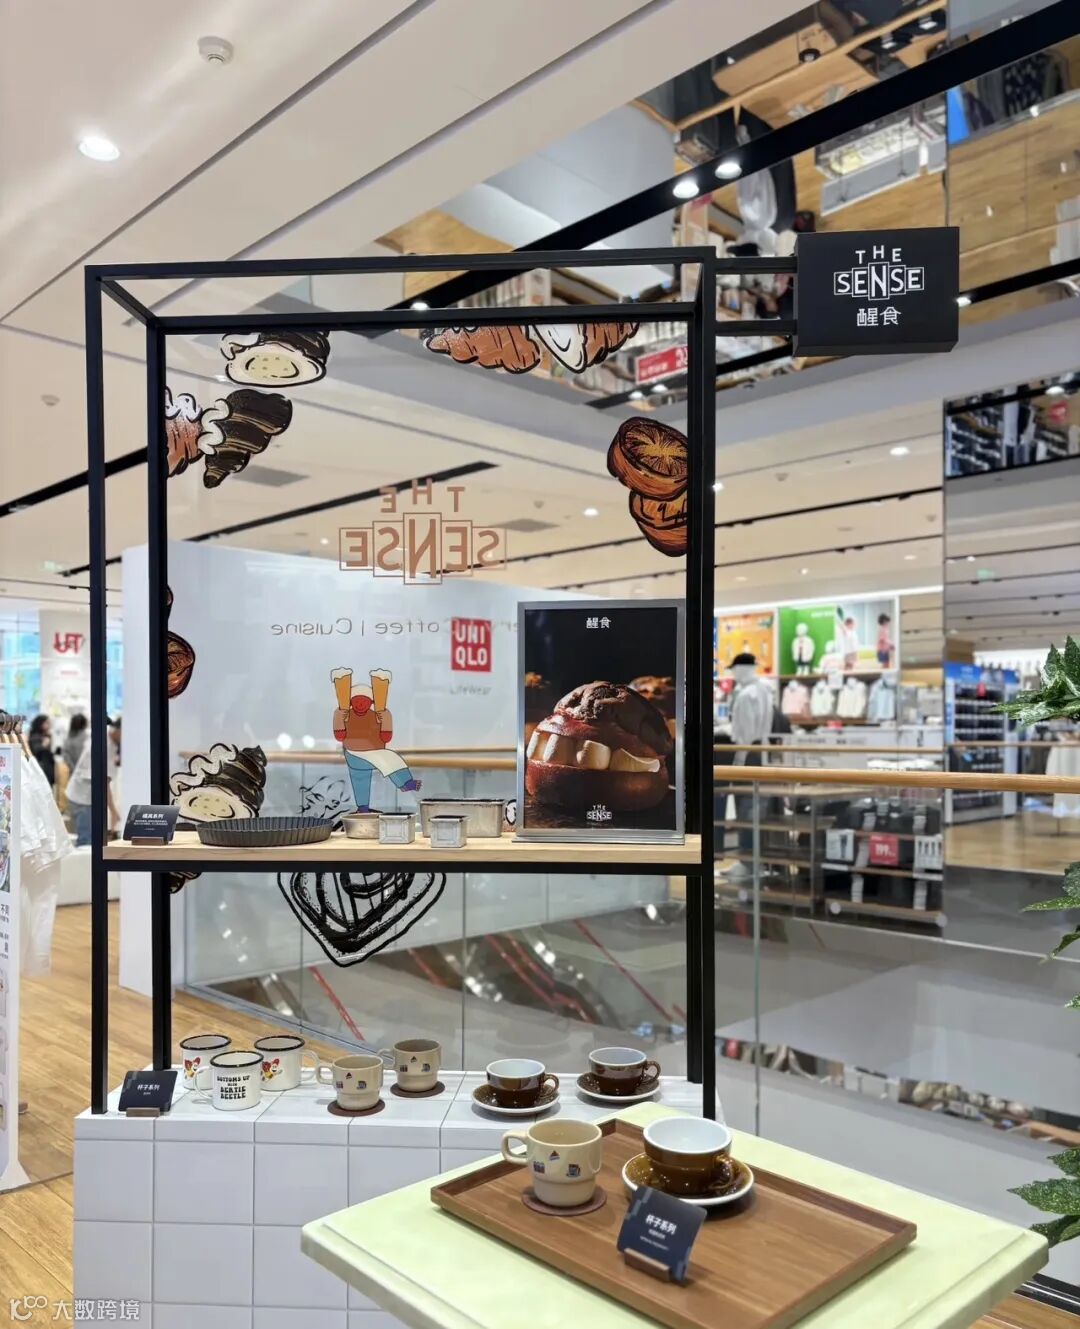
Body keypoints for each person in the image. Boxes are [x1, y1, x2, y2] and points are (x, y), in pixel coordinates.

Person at [723, 653, 774, 882]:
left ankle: (747, 863)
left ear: (742, 669)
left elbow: (743, 735)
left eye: (735, 669)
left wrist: (738, 764)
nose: (734, 674)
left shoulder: (745, 695)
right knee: (758, 811)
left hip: (748, 755)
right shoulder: (764, 691)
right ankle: (756, 862)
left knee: (746, 810)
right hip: (763, 753)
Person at [65, 717, 121, 846]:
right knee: (86, 841)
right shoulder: (102, 743)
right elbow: (104, 783)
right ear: (118, 730)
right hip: (82, 798)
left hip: (86, 797)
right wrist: (113, 811)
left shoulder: (107, 737)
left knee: (90, 839)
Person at [28, 715, 56, 788]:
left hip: (46, 768)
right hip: (41, 769)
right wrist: (45, 744)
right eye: (47, 723)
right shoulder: (35, 736)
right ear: (40, 724)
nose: (49, 725)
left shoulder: (45, 735)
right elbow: (37, 751)